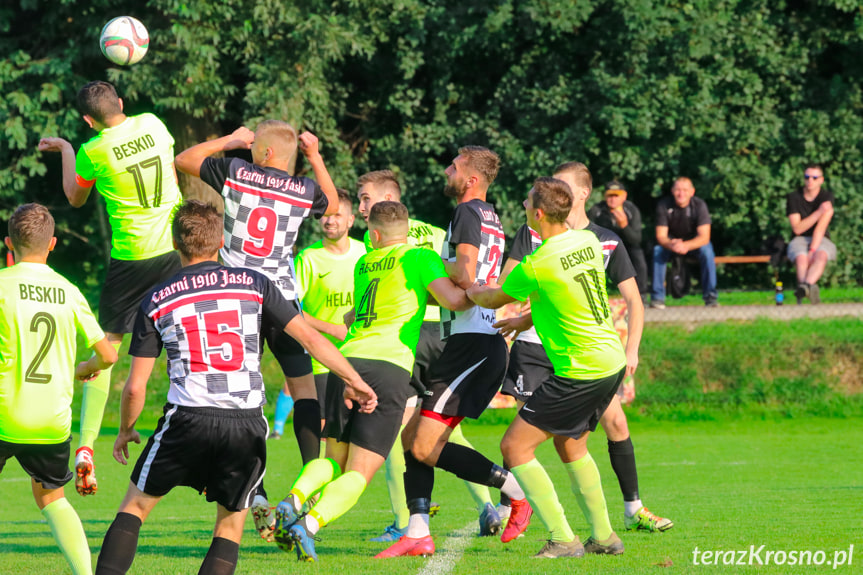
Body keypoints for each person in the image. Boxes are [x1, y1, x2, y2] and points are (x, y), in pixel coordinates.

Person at [94, 201, 374, 575]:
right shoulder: (254, 283)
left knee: (135, 509)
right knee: (229, 525)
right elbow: (308, 338)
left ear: (175, 243)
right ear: (221, 240)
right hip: (245, 422)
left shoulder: (157, 298)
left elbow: (134, 388)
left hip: (187, 418)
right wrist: (354, 381)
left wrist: (126, 429)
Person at [272, 201, 473, 562]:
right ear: (408, 232)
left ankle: (293, 499)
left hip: (344, 362)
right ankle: (310, 525)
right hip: (389, 366)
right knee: (360, 471)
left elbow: (358, 312)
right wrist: (487, 291)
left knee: (334, 458)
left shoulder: (365, 263)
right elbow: (454, 300)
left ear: (375, 235)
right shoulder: (418, 258)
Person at [175, 120, 340, 539]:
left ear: (264, 154)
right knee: (303, 390)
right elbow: (333, 203)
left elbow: (184, 159)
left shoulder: (236, 171)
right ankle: (309, 486)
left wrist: (229, 141)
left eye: (254, 148)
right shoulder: (303, 191)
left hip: (236, 298)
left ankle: (259, 491)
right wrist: (316, 156)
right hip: (281, 297)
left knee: (238, 395)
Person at [497, 162, 672, 533]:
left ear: (581, 194)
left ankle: (630, 509)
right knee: (531, 436)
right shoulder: (531, 233)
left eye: (561, 185)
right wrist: (521, 316)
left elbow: (633, 300)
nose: (552, 189)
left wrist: (633, 349)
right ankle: (512, 507)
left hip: (583, 356)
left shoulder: (601, 240)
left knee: (611, 423)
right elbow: (513, 284)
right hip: (537, 347)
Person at [378, 146, 531, 559]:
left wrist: (427, 262)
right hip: (469, 341)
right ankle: (417, 529)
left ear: (471, 179)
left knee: (425, 445)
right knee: (414, 437)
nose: (447, 171)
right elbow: (474, 280)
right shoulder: (489, 215)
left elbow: (464, 273)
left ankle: (516, 494)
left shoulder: (467, 212)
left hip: (474, 345)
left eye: (454, 167)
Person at [468, 177, 625, 559]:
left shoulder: (538, 263)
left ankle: (562, 538)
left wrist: (464, 284)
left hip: (580, 370)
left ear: (537, 214)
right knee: (571, 445)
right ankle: (604, 537)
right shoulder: (586, 241)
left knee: (514, 446)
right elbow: (567, 293)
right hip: (610, 361)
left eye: (526, 202)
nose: (522, 204)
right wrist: (528, 319)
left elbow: (493, 295)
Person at [37, 80, 183, 489]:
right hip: (173, 250)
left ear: (88, 119)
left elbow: (75, 197)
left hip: (130, 259)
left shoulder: (93, 151)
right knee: (183, 341)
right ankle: (187, 431)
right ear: (120, 103)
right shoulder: (154, 124)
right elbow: (171, 174)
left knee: (107, 348)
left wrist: (68, 149)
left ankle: (86, 446)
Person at [355, 170, 497, 541]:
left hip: (412, 334)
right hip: (449, 333)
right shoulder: (436, 232)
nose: (362, 207)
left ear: (390, 198)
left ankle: (405, 521)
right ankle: (485, 505)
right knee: (439, 425)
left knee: (402, 430)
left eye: (367, 199)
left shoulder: (381, 241)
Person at [1, 203, 118, 575]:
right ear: (52, 244)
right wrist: (86, 368)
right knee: (51, 497)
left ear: (9, 244)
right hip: (52, 421)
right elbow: (108, 355)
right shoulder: (68, 291)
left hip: (5, 415)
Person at [293, 188, 366, 433]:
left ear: (351, 219)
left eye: (337, 215)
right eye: (325, 215)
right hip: (322, 362)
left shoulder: (366, 253)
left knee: (361, 431)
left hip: (362, 355)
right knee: (326, 431)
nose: (330, 220)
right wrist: (333, 329)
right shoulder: (308, 258)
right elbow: (292, 309)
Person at [651, 177, 717, 308]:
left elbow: (704, 237)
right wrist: (672, 244)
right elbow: (661, 236)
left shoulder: (699, 205)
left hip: (694, 244)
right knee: (657, 251)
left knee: (707, 251)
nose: (681, 193)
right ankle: (657, 298)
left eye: (685, 190)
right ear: (672, 191)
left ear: (692, 192)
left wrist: (686, 245)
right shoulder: (664, 205)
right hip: (671, 244)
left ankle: (711, 296)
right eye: (678, 190)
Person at [587, 180, 648, 300]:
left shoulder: (631, 210)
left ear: (624, 196)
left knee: (638, 255)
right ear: (605, 196)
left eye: (616, 195)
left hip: (627, 246)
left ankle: (641, 295)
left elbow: (636, 239)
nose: (613, 199)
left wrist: (624, 225)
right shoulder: (596, 210)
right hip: (602, 247)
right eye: (610, 195)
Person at [786, 164, 835, 304]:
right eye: (807, 177)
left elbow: (820, 228)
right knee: (801, 258)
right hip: (799, 239)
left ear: (821, 180)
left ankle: (803, 288)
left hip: (821, 238)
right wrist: (818, 212)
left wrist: (813, 250)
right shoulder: (794, 197)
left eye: (814, 178)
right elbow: (797, 229)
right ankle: (807, 289)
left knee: (821, 256)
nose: (810, 181)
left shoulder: (826, 197)